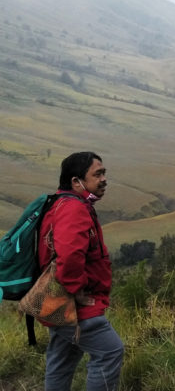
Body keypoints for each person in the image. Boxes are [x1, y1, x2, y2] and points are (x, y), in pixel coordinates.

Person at [38, 151, 123, 390]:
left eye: (104, 173)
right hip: (73, 303)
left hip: (54, 299)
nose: (104, 179)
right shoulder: (73, 209)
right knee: (110, 352)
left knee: (62, 359)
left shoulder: (62, 203)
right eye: (97, 174)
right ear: (76, 181)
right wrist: (76, 290)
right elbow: (70, 255)